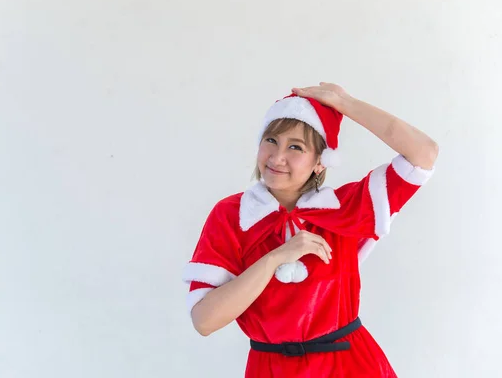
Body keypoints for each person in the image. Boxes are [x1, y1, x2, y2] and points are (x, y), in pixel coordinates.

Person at [182, 82, 439, 377]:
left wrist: (345, 104)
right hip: (271, 369)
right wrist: (275, 258)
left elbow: (424, 154)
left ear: (320, 162)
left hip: (351, 366)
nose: (277, 157)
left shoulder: (346, 208)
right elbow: (204, 321)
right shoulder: (232, 216)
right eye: (271, 140)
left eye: (296, 147)